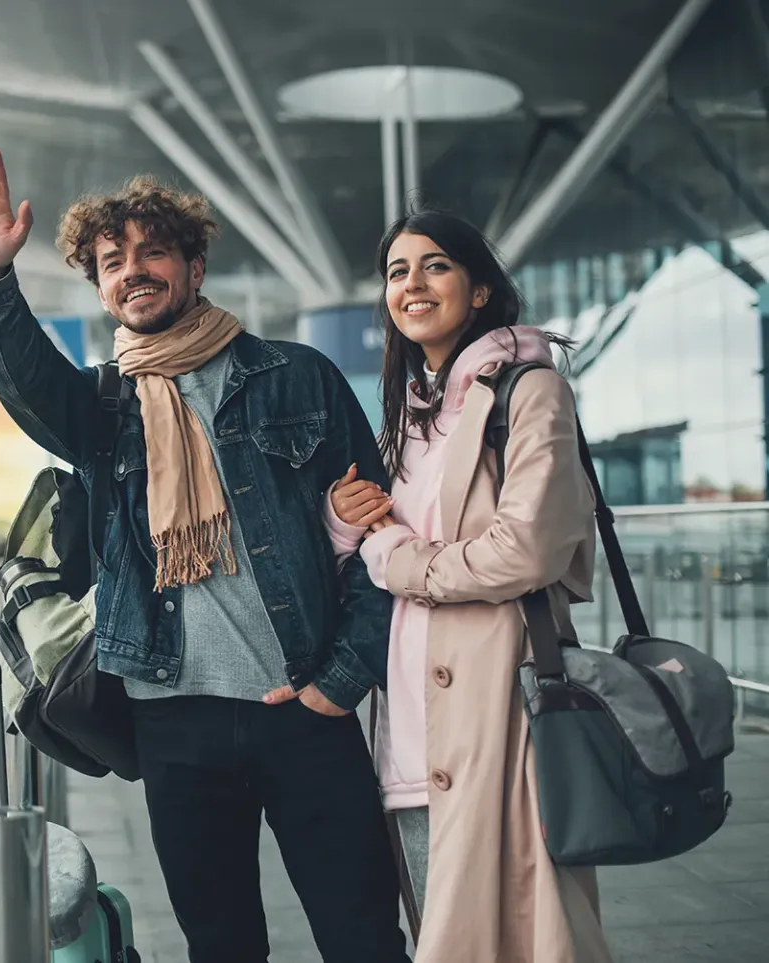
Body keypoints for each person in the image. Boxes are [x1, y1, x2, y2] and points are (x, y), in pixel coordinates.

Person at [0, 138, 410, 963]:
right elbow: (24, 382)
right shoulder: (102, 408)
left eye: (153, 250)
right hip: (175, 723)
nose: (133, 269)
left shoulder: (298, 379)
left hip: (304, 708)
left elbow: (383, 546)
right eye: (112, 260)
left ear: (195, 266)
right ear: (99, 284)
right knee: (222, 945)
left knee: (364, 935)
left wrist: (341, 683)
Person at [323, 209, 615, 963]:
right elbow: (376, 543)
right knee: (442, 934)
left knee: (527, 933)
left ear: (480, 289)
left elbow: (527, 550)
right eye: (396, 271)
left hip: (499, 712)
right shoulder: (408, 416)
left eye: (435, 266)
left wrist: (397, 559)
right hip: (412, 729)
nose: (411, 284)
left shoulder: (529, 390)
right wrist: (343, 525)